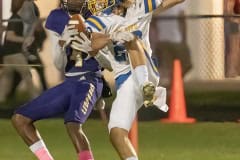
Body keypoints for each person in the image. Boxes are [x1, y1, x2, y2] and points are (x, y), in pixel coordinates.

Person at [70, 0, 184, 159]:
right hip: (125, 81)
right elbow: (93, 42)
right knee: (116, 133)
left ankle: (147, 88)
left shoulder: (142, 5)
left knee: (131, 38)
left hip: (146, 71)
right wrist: (112, 36)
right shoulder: (101, 19)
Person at [11, 1, 111, 159]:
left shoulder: (99, 17)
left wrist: (94, 52)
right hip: (70, 82)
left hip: (89, 80)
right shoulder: (57, 18)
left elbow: (111, 64)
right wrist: (62, 42)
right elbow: (59, 64)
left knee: (73, 125)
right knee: (20, 119)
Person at [0, 0, 37, 103]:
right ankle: (35, 98)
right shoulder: (16, 18)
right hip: (14, 54)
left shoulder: (15, 18)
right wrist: (25, 39)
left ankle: (1, 99)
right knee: (27, 75)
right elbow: (10, 36)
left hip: (8, 53)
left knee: (7, 77)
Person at [225, 0, 240, 78]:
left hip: (234, 23)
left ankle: (234, 71)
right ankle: (231, 72)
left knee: (235, 48)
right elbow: (228, 12)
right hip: (233, 24)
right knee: (232, 48)